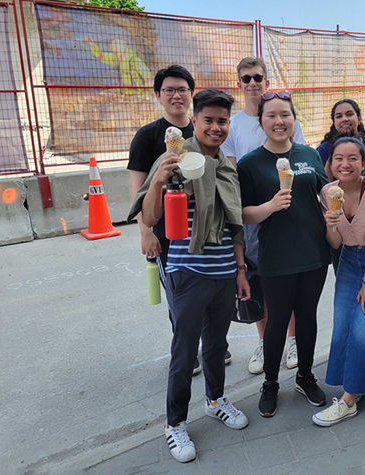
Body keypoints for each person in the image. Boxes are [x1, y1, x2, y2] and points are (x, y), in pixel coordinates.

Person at [128, 89, 251, 463]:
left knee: (216, 345)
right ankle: (175, 423)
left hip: (223, 272)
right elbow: (149, 217)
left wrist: (241, 270)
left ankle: (215, 401)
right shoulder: (176, 158)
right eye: (208, 120)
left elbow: (235, 225)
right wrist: (162, 178)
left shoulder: (228, 166)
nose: (216, 127)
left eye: (222, 121)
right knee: (184, 351)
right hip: (187, 270)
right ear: (194, 121)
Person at [128, 65, 231, 373]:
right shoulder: (147, 137)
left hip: (210, 234)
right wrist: (146, 232)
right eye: (169, 90)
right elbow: (138, 190)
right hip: (167, 231)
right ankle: (187, 349)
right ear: (158, 95)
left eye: (183, 89)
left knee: (213, 293)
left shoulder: (205, 130)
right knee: (180, 296)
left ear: (192, 96)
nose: (176, 95)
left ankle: (214, 345)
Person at [237, 91, 330, 417]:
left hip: (314, 254)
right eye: (271, 116)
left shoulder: (309, 154)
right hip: (274, 257)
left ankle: (305, 376)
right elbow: (242, 213)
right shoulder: (250, 163)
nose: (279, 121)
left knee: (307, 317)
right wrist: (270, 206)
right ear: (261, 121)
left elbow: (325, 190)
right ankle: (271, 383)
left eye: (285, 115)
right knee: (276, 322)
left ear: (294, 119)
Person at [221, 57, 306, 376]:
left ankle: (294, 339)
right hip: (254, 212)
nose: (252, 83)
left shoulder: (285, 116)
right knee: (259, 280)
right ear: (239, 84)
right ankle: (264, 340)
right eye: (246, 78)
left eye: (258, 77)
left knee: (289, 278)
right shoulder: (234, 124)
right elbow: (231, 172)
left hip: (286, 207)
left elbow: (299, 161)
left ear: (267, 82)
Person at [313, 137, 365, 427]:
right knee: (343, 324)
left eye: (353, 159)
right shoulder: (328, 192)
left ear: (364, 164)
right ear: (330, 164)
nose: (345, 164)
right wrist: (331, 223)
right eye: (339, 158)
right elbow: (335, 244)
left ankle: (348, 401)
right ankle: (356, 384)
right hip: (349, 259)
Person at [317, 99, 365, 271]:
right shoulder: (324, 150)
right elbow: (324, 185)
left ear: (358, 117)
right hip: (341, 228)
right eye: (339, 116)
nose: (344, 119)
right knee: (346, 282)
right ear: (334, 122)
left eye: (349, 114)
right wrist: (332, 154)